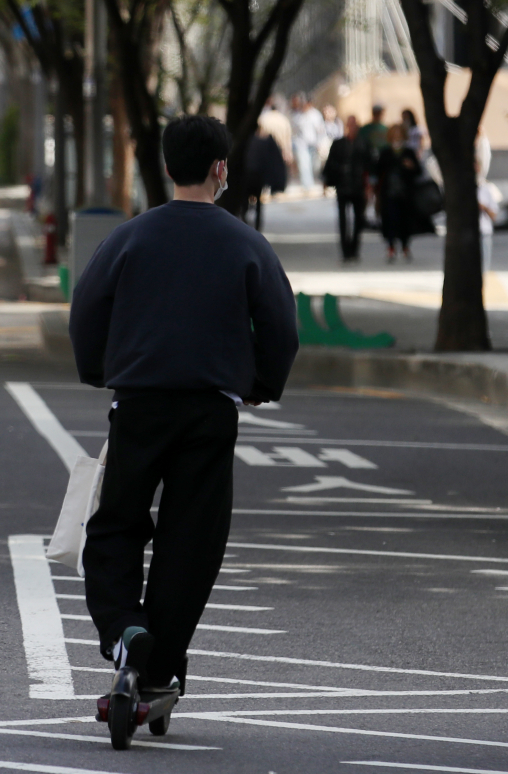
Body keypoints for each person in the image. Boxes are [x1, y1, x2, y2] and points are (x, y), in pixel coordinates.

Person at [69, 114, 299, 692]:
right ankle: (160, 663)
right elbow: (280, 326)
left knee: (117, 523)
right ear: (221, 169)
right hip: (210, 411)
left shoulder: (128, 236)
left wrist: (100, 371)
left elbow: (87, 311)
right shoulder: (246, 243)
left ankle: (124, 630)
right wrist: (261, 383)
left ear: (167, 167)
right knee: (191, 540)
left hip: (139, 404)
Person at [323, 115, 368, 261]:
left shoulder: (363, 144)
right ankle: (345, 251)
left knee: (358, 219)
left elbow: (370, 166)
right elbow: (330, 165)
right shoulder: (338, 144)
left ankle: (354, 249)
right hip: (342, 185)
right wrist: (326, 181)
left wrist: (369, 187)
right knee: (343, 219)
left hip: (358, 186)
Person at [377, 124, 418, 262]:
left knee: (405, 220)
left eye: (400, 134)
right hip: (389, 193)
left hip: (405, 193)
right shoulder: (386, 152)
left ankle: (405, 246)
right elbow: (377, 170)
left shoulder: (408, 152)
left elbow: (418, 171)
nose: (397, 137)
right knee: (390, 220)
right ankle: (391, 247)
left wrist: (411, 166)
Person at [243, 124, 287, 231]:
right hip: (258, 177)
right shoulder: (263, 143)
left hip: (247, 177)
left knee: (245, 204)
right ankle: (257, 228)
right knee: (258, 204)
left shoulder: (246, 143)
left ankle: (245, 224)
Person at [289, 93, 325, 192]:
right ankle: (307, 186)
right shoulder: (297, 115)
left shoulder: (316, 115)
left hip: (314, 145)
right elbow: (293, 131)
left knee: (314, 166)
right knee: (304, 165)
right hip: (301, 145)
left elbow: (321, 130)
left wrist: (320, 143)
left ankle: (311, 182)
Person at [477, 158, 502, 274]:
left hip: (484, 231)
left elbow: (494, 215)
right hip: (466, 232)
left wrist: (484, 207)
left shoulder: (486, 188)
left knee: (483, 267)